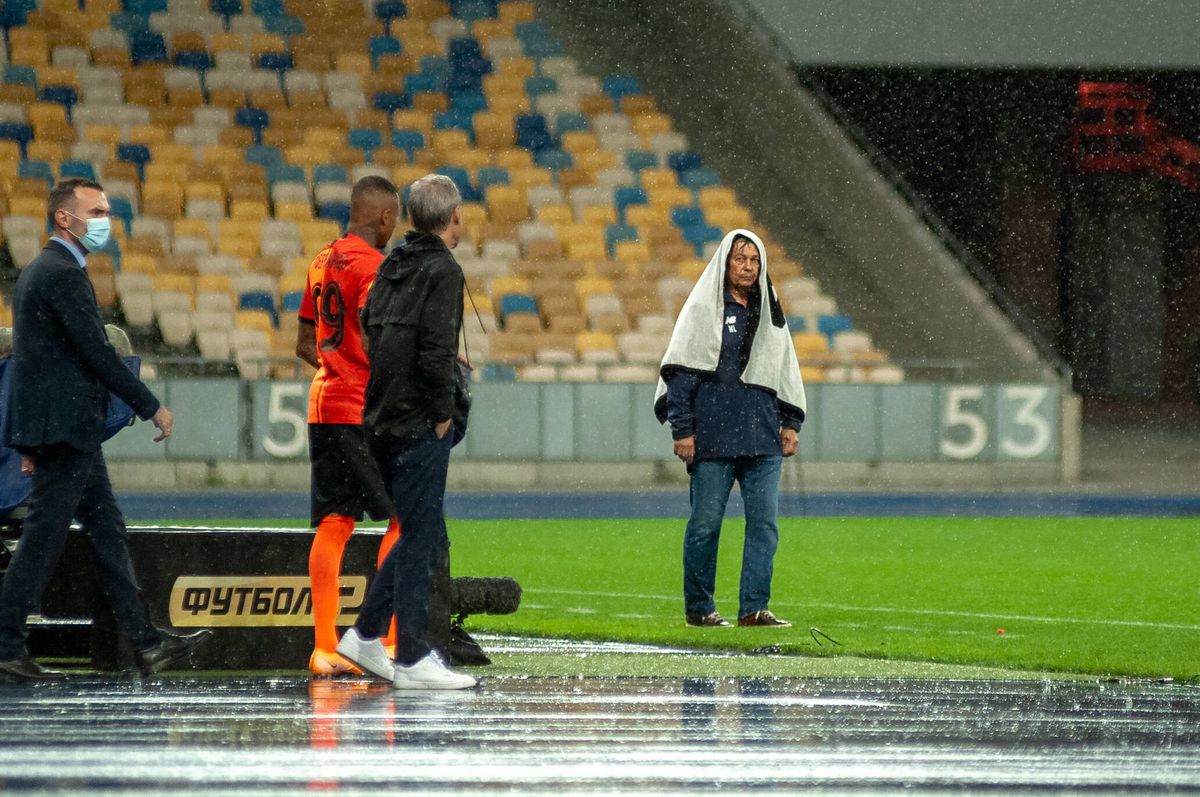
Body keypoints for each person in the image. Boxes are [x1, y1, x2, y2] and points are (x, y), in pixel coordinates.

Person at [0, 179, 211, 682]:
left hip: (66, 430)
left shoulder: (41, 272)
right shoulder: (62, 276)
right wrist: (150, 405)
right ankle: (6, 644)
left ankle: (146, 642)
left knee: (106, 532)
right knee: (43, 539)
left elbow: (30, 365)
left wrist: (26, 440)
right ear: (64, 219)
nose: (105, 220)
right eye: (95, 211)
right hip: (68, 430)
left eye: (107, 211)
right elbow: (96, 353)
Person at [335, 173, 476, 690]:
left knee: (417, 530)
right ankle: (413, 656)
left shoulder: (394, 261)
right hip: (419, 421)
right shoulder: (443, 269)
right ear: (452, 217)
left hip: (381, 417)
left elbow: (372, 326)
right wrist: (441, 410)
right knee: (419, 536)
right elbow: (436, 349)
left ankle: (366, 635)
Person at [653, 229, 807, 629]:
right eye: (740, 259)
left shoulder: (769, 311)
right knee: (705, 525)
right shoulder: (704, 310)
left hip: (763, 433)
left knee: (765, 526)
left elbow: (784, 367)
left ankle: (754, 609)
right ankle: (699, 608)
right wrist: (682, 430)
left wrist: (790, 422)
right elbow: (682, 372)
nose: (748, 267)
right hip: (713, 435)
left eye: (754, 260)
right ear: (725, 263)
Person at [297, 176, 402, 676]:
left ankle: (324, 648)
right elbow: (383, 340)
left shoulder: (321, 260)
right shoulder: (374, 266)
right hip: (361, 410)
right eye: (394, 219)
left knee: (336, 522)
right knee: (407, 518)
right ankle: (387, 641)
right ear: (384, 217)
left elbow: (304, 343)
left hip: (322, 404)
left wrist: (335, 364)